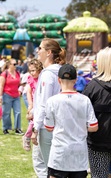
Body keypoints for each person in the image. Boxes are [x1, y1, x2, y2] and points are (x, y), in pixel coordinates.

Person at [44, 64, 98, 178]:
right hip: (79, 155)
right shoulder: (85, 100)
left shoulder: (52, 101)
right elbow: (94, 126)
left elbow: (49, 127)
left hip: (59, 154)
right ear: (75, 80)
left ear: (59, 80)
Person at [31, 38, 66, 177]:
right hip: (59, 123)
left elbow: (44, 103)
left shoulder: (48, 75)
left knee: (48, 167)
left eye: (40, 49)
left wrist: (35, 127)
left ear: (49, 52)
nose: (37, 51)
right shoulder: (60, 72)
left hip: (47, 126)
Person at [82, 47, 111, 178]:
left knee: (99, 176)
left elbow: (82, 114)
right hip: (98, 142)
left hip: (97, 142)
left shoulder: (93, 86)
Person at [22, 59, 43, 151]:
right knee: (33, 120)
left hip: (41, 103)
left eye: (33, 70)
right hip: (35, 103)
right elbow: (28, 92)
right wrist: (30, 104)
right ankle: (27, 136)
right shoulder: (30, 79)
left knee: (35, 120)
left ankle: (30, 135)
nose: (32, 73)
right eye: (30, 71)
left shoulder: (43, 78)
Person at [0, 58, 22, 135]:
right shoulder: (4, 74)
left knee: (18, 112)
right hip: (7, 95)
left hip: (16, 96)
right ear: (9, 65)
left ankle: (18, 128)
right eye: (14, 64)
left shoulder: (17, 73)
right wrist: (0, 96)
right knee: (6, 112)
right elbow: (1, 86)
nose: (16, 66)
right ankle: (6, 128)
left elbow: (19, 83)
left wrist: (21, 89)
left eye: (16, 64)